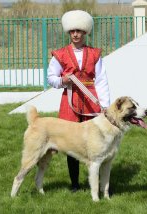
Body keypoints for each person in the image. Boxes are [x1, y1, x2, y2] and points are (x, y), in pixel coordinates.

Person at [47, 10, 110, 192]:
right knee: (71, 142)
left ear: (85, 32)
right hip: (70, 102)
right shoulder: (60, 54)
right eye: (72, 31)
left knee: (97, 143)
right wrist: (62, 81)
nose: (75, 34)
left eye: (79, 31)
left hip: (91, 102)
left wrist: (104, 105)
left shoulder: (95, 54)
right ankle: (74, 184)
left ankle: (96, 185)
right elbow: (50, 77)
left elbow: (101, 80)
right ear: (69, 32)